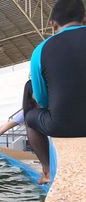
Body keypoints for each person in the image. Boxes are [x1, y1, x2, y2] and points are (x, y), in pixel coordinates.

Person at [25, 0, 86, 184]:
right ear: (84, 18)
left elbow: (42, 100)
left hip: (62, 127)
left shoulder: (40, 51)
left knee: (29, 117)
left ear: (52, 23)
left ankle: (47, 170)